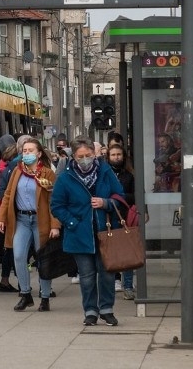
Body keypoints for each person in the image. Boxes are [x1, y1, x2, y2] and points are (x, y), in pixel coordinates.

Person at [51, 135, 125, 327]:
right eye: (80, 156)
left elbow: (120, 196)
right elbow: (57, 206)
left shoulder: (105, 171)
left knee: (107, 273)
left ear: (94, 153)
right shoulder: (66, 177)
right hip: (79, 234)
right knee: (87, 276)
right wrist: (72, 223)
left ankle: (107, 309)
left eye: (88, 154)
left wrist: (106, 202)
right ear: (73, 157)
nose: (85, 159)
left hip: (105, 232)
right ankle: (90, 311)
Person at [0, 138, 60, 312]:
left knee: (43, 259)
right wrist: (1, 218)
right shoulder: (17, 172)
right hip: (22, 221)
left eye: (31, 151)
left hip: (41, 221)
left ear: (39, 154)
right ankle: (25, 294)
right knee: (18, 255)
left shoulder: (47, 174)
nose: (27, 154)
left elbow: (54, 201)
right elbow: (8, 196)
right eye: (24, 151)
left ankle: (45, 296)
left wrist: (55, 225)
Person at [107, 145, 136, 300]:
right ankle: (111, 285)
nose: (116, 157)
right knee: (111, 255)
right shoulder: (104, 175)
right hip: (108, 218)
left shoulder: (129, 176)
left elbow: (136, 195)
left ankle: (128, 286)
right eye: (113, 154)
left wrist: (120, 197)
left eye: (119, 154)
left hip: (125, 218)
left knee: (127, 255)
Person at [0, 134, 18, 292]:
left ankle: (4, 279)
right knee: (12, 248)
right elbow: (3, 192)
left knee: (7, 246)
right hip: (12, 215)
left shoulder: (2, 166)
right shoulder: (10, 168)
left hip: (4, 213)